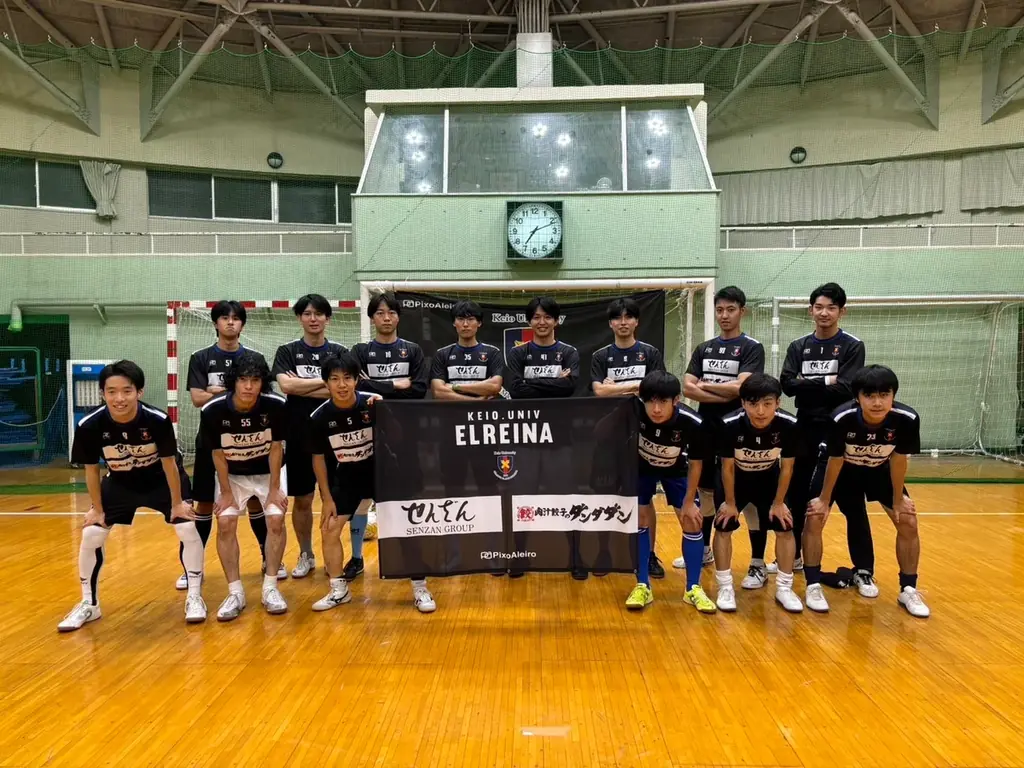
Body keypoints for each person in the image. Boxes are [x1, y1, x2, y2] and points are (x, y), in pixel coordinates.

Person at [59, 361, 204, 631]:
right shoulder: (89, 425)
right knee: (91, 534)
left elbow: (170, 464)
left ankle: (194, 596)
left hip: (161, 480)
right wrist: (97, 509)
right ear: (102, 393)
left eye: (127, 391)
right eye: (112, 391)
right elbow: (91, 470)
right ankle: (89, 604)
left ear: (139, 391)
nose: (119, 398)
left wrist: (176, 504)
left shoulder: (157, 420)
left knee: (186, 526)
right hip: (120, 482)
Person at [306, 353, 432, 611]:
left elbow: (398, 437)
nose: (342, 385)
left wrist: (382, 413)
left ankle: (420, 588)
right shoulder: (318, 417)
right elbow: (318, 460)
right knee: (329, 528)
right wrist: (326, 498)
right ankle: (339, 590)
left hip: (383, 472)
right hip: (348, 475)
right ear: (326, 383)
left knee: (404, 527)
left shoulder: (372, 402)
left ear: (356, 380)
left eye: (348, 378)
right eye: (335, 379)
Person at [804, 365, 929, 617]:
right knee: (815, 516)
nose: (877, 402)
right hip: (841, 469)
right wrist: (824, 500)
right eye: (869, 396)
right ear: (857, 398)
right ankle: (813, 584)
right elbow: (835, 460)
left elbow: (898, 460)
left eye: (884, 395)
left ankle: (908, 588)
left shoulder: (907, 419)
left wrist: (898, 500)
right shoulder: (841, 418)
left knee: (908, 520)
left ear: (893, 395)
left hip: (879, 468)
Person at [778, 283, 869, 593]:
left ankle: (864, 569)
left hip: (840, 428)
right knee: (797, 495)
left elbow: (847, 387)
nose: (824, 313)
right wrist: (827, 381)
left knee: (852, 501)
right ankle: (795, 557)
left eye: (831, 307)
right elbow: (787, 385)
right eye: (819, 307)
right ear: (810, 310)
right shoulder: (798, 346)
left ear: (842, 311)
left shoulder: (853, 346)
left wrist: (807, 382)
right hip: (804, 426)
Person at [181, 299, 277, 591]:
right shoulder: (200, 357)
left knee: (256, 499)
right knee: (205, 503)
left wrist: (216, 391)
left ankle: (268, 557)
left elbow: (262, 395)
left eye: (236, 318)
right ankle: (192, 568)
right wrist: (226, 394)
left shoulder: (255, 358)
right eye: (225, 318)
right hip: (212, 440)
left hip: (251, 440)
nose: (230, 322)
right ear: (215, 323)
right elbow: (197, 398)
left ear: (242, 324)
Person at [351, 292, 434, 611]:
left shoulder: (412, 350)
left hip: (405, 434)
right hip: (365, 434)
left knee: (407, 501)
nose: (386, 317)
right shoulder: (360, 351)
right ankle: (356, 558)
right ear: (372, 317)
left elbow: (419, 389)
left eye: (391, 312)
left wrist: (378, 387)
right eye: (380, 312)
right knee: (360, 499)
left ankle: (417, 574)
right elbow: (356, 388)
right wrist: (396, 386)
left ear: (398, 317)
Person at [681, 286, 765, 583]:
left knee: (748, 497)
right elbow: (687, 387)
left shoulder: (752, 347)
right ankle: (704, 549)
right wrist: (723, 392)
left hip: (739, 430)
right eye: (719, 310)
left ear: (742, 311)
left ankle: (757, 561)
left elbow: (743, 389)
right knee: (705, 492)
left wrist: (705, 386)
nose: (724, 315)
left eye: (730, 309)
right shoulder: (704, 348)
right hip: (706, 428)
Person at [200, 352, 289, 619]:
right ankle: (235, 592)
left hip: (267, 473)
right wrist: (226, 492)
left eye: (255, 380)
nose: (249, 386)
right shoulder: (212, 410)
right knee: (226, 522)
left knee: (276, 519)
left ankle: (270, 587)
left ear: (263, 382)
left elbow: (276, 448)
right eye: (243, 380)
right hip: (233, 475)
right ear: (233, 381)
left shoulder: (276, 405)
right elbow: (217, 453)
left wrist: (274, 489)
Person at [271, 294, 348, 580]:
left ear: (328, 318)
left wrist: (302, 385)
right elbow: (286, 387)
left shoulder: (340, 352)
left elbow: (343, 390)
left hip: (335, 435)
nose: (313, 319)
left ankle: (331, 555)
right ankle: (306, 553)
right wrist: (326, 383)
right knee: (302, 500)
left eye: (318, 314)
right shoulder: (287, 351)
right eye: (307, 313)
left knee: (334, 498)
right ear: (299, 318)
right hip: (298, 434)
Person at [505, 296, 582, 578]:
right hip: (526, 436)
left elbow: (569, 388)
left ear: (556, 321)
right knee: (523, 496)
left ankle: (575, 555)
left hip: (560, 438)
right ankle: (519, 555)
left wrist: (532, 383)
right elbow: (515, 390)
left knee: (565, 495)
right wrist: (555, 382)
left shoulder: (569, 352)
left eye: (547, 317)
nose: (542, 322)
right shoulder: (518, 353)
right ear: (529, 321)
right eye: (536, 317)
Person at [712, 374, 803, 613]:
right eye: (753, 404)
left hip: (768, 479)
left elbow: (788, 467)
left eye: (767, 403)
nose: (760, 411)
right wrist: (730, 503)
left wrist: (779, 502)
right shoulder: (729, 424)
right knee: (723, 525)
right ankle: (725, 586)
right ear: (743, 403)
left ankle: (784, 588)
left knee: (785, 526)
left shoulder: (789, 425)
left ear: (778, 403)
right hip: (735, 480)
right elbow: (727, 467)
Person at [626, 370, 715, 613]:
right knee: (639, 519)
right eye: (650, 402)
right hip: (642, 469)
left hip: (677, 471)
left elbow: (696, 464)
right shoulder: (632, 410)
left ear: (676, 400)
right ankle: (642, 584)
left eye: (663, 402)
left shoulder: (693, 422)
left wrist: (689, 501)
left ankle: (693, 588)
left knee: (692, 520)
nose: (656, 409)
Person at [591, 296, 666, 579]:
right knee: (606, 495)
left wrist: (618, 387)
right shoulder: (601, 356)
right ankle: (604, 551)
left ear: (637, 321)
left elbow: (656, 389)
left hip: (645, 434)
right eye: (617, 318)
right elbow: (599, 392)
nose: (623, 322)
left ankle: (649, 555)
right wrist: (637, 386)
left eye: (628, 317)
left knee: (644, 498)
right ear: (611, 323)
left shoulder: (650, 353)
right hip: (610, 434)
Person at [430, 300, 504, 401]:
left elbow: (495, 386)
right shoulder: (442, 354)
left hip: (483, 410)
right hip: (452, 410)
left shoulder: (493, 353)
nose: (465, 324)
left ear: (479, 323)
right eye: (460, 319)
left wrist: (453, 386)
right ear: (454, 323)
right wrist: (475, 401)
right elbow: (438, 392)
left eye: (470, 319)